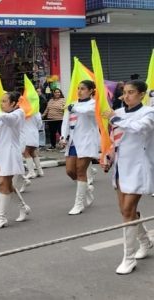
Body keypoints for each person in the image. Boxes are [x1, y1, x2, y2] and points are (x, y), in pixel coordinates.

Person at [102, 80, 154, 274]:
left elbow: (138, 128)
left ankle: (128, 258)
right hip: (120, 167)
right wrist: (109, 156)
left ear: (142, 94)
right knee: (126, 212)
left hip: (139, 166)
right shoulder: (120, 113)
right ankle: (145, 241)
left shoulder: (149, 113)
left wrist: (114, 119)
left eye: (131, 92)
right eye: (124, 92)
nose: (126, 96)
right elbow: (116, 140)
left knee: (127, 210)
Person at [0, 92, 31, 229]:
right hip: (1, 155)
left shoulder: (19, 113)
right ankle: (23, 206)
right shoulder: (0, 118)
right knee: (8, 185)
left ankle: (2, 217)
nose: (1, 103)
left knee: (3, 184)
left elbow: (9, 119)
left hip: (11, 153)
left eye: (4, 101)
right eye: (1, 101)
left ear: (13, 103)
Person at [60, 80, 100, 215]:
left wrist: (73, 108)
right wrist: (63, 137)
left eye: (83, 89)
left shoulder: (93, 104)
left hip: (87, 141)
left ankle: (79, 204)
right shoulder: (73, 105)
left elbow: (88, 111)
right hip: (73, 142)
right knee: (70, 171)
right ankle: (87, 188)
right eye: (78, 88)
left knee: (80, 170)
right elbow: (66, 122)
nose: (79, 91)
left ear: (90, 91)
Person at [21, 112, 44, 179]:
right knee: (32, 151)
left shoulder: (23, 111)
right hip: (35, 132)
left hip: (26, 133)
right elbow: (40, 124)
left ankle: (31, 172)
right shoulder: (37, 112)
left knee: (25, 152)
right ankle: (40, 171)